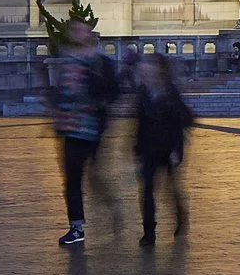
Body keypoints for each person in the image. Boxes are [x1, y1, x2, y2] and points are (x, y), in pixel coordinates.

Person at [49, 20, 121, 247]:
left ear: (89, 34)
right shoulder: (66, 59)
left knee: (95, 177)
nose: (78, 34)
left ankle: (112, 208)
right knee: (72, 180)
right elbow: (60, 91)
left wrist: (98, 103)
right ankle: (76, 227)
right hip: (71, 128)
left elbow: (114, 90)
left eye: (82, 30)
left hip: (93, 128)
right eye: (74, 30)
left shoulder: (101, 62)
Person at [133, 53, 196, 245]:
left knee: (170, 188)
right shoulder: (143, 92)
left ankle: (180, 215)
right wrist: (136, 147)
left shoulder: (170, 92)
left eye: (149, 64)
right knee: (147, 190)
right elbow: (139, 122)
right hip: (148, 149)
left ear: (159, 69)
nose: (144, 68)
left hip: (168, 149)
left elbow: (181, 122)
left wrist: (177, 149)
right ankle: (149, 231)